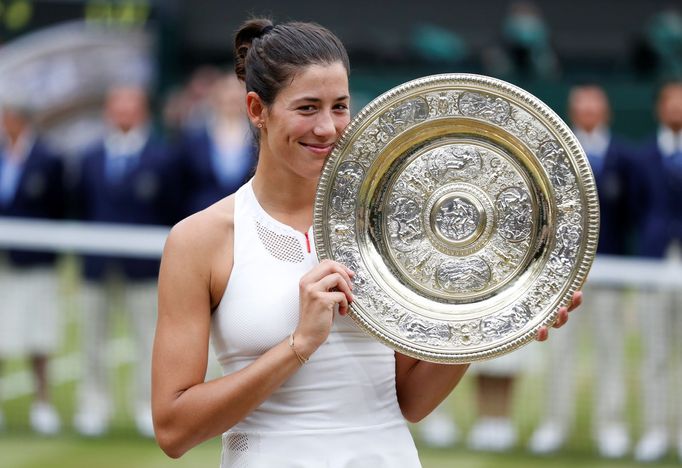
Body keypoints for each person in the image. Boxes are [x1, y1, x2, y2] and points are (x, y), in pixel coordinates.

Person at [151, 18, 581, 467]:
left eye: (339, 106)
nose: (328, 128)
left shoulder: (388, 225)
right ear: (257, 109)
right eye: (307, 108)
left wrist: (490, 321)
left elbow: (410, 401)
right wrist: (298, 344)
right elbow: (174, 429)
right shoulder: (200, 240)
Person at [528, 85, 635, 458]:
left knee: (610, 349)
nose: (588, 112)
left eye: (594, 106)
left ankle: (611, 426)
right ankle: (554, 424)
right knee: (559, 351)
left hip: (612, 266)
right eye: (581, 106)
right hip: (561, 275)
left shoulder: (624, 156)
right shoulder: (552, 157)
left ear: (605, 111)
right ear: (573, 111)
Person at [72, 84, 181, 438]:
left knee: (148, 341)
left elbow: (172, 210)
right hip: (97, 266)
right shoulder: (89, 157)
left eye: (128, 107)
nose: (121, 113)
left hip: (144, 268)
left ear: (142, 111)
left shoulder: (162, 158)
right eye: (115, 106)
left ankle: (146, 408)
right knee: (92, 339)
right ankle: (93, 406)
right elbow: (80, 209)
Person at [0, 102, 64, 435]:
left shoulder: (48, 158)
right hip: (3, 264)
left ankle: (43, 403)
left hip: (36, 261)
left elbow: (59, 208)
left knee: (39, 336)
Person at [632, 80, 682, 462]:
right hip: (653, 265)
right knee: (654, 353)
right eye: (671, 102)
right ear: (659, 108)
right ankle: (654, 430)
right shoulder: (643, 157)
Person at [178, 72, 257, 217]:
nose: (232, 97)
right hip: (200, 218)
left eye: (238, 91)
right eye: (227, 91)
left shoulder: (260, 140)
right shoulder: (194, 140)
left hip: (246, 217)